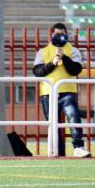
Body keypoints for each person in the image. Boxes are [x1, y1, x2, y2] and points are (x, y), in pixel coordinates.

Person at [32, 22, 90, 158]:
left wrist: (64, 57)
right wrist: (52, 62)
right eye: (57, 34)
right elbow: (38, 71)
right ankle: (57, 151)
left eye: (63, 34)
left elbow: (76, 69)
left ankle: (78, 147)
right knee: (53, 123)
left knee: (73, 118)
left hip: (68, 91)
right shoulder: (43, 51)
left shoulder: (73, 50)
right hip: (48, 93)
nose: (60, 37)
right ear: (51, 35)